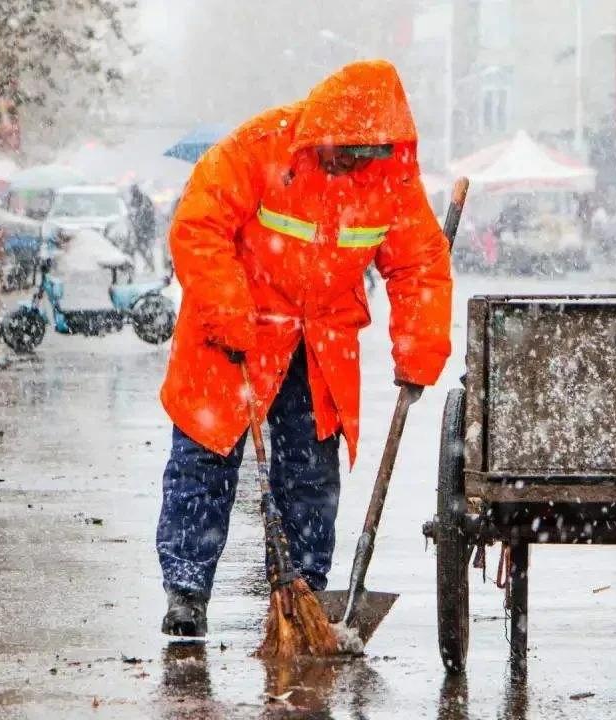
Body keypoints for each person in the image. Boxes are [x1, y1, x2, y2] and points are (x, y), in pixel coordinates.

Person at [157, 60, 453, 637]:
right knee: (204, 462)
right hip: (233, 335)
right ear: (320, 129)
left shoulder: (391, 182)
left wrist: (418, 348)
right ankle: (187, 589)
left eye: (362, 152)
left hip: (317, 343)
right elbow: (198, 225)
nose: (348, 161)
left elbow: (419, 266)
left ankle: (304, 591)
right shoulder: (259, 148)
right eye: (341, 148)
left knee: (310, 476)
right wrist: (227, 309)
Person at [127, 184, 157, 271]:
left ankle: (150, 264)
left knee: (144, 248)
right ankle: (150, 264)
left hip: (144, 229)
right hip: (141, 229)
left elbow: (147, 214)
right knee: (143, 248)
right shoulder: (137, 200)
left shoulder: (143, 200)